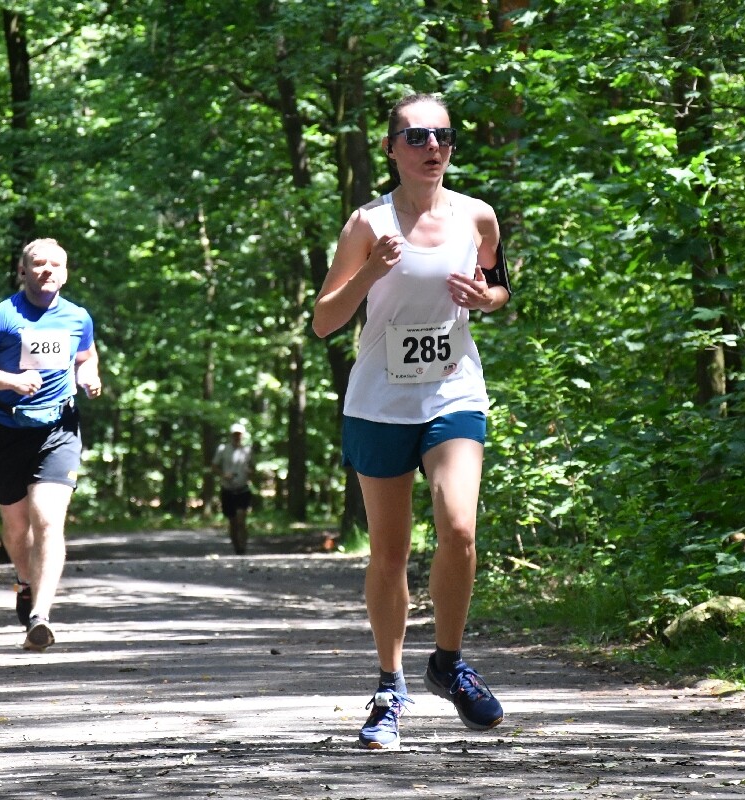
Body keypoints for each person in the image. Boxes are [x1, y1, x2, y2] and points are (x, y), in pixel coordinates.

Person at [311, 93, 513, 749]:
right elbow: (324, 320)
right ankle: (389, 686)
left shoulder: (477, 216)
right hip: (379, 400)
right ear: (392, 147)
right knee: (391, 552)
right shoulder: (367, 223)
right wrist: (370, 270)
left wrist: (487, 297)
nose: (434, 148)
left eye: (445, 137)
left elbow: (498, 285)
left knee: (458, 526)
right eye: (419, 136)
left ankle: (448, 666)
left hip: (454, 392)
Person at [0, 237, 103, 651]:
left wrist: (90, 375)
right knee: (17, 529)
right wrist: (9, 381)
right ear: (23, 271)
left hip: (59, 429)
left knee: (47, 519)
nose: (47, 270)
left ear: (66, 272)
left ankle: (41, 614)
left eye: (56, 264)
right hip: (8, 429)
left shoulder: (77, 318)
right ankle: (24, 580)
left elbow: (86, 356)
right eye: (38, 264)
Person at [210, 422, 253, 554]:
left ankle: (243, 546)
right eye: (235, 434)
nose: (237, 437)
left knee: (241, 519)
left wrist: (250, 472)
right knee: (233, 521)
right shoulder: (223, 449)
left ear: (243, 436)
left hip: (243, 489)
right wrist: (224, 474)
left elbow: (253, 468)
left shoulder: (247, 450)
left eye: (239, 435)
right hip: (228, 489)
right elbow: (214, 466)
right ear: (231, 435)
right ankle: (236, 547)